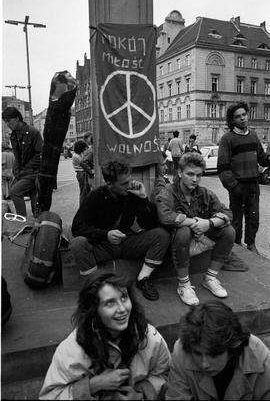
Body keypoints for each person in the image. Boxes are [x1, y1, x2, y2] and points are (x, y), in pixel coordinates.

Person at [39, 271, 171, 400]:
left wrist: (141, 394)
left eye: (124, 297)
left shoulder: (150, 339)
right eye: (110, 303)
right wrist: (92, 385)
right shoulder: (71, 351)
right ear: (93, 311)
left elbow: (167, 376)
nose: (122, 309)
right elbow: (50, 396)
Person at [70, 161, 171, 301]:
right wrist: (105, 234)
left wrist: (143, 198)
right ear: (109, 183)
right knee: (77, 244)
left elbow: (150, 224)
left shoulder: (131, 194)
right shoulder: (95, 196)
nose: (129, 185)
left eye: (129, 181)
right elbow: (77, 227)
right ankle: (95, 286)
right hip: (102, 245)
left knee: (162, 235)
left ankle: (143, 278)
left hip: (126, 242)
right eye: (124, 183)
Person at [156, 152, 235, 306]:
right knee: (184, 231)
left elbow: (227, 212)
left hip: (201, 236)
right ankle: (184, 285)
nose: (195, 179)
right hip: (175, 241)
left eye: (199, 175)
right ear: (179, 173)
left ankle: (210, 278)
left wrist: (209, 223)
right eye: (190, 174)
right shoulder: (168, 191)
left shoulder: (204, 193)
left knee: (229, 231)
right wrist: (193, 222)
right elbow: (165, 216)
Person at [166, 300, 270, 400]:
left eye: (214, 354)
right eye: (197, 353)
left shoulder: (260, 357)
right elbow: (176, 395)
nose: (204, 364)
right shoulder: (181, 352)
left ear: (232, 345)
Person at [218, 101, 270, 255]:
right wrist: (234, 186)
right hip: (237, 187)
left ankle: (251, 245)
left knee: (254, 217)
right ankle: (236, 247)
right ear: (232, 120)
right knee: (236, 220)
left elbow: (261, 158)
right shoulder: (227, 139)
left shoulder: (253, 135)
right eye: (238, 116)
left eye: (244, 115)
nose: (242, 118)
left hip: (253, 185)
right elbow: (223, 168)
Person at [2, 107, 43, 218]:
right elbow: (17, 156)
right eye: (5, 122)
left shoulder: (33, 132)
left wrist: (26, 170)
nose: (7, 125)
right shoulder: (13, 136)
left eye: (9, 121)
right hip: (22, 172)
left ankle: (22, 220)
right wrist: (16, 170)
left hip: (33, 171)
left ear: (17, 118)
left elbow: (40, 155)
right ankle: (33, 223)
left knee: (14, 192)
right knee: (35, 205)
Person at [72, 140, 92, 205]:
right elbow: (83, 163)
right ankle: (82, 205)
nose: (85, 149)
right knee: (84, 191)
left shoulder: (78, 154)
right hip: (81, 173)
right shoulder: (76, 156)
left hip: (81, 173)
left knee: (85, 190)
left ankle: (85, 205)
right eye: (84, 148)